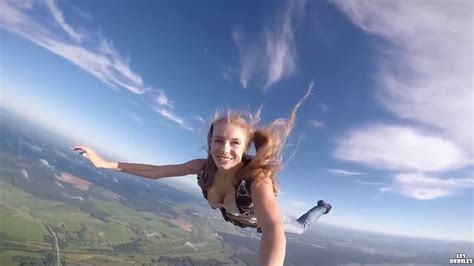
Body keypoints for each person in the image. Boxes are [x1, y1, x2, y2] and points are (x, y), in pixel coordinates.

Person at [73, 88, 331, 266]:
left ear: (244, 148)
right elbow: (157, 171)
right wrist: (105, 163)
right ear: (209, 143)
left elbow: (274, 230)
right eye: (219, 140)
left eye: (234, 143)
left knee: (300, 227)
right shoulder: (202, 167)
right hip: (241, 218)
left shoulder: (256, 181)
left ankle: (322, 207)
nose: (225, 149)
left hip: (265, 221)